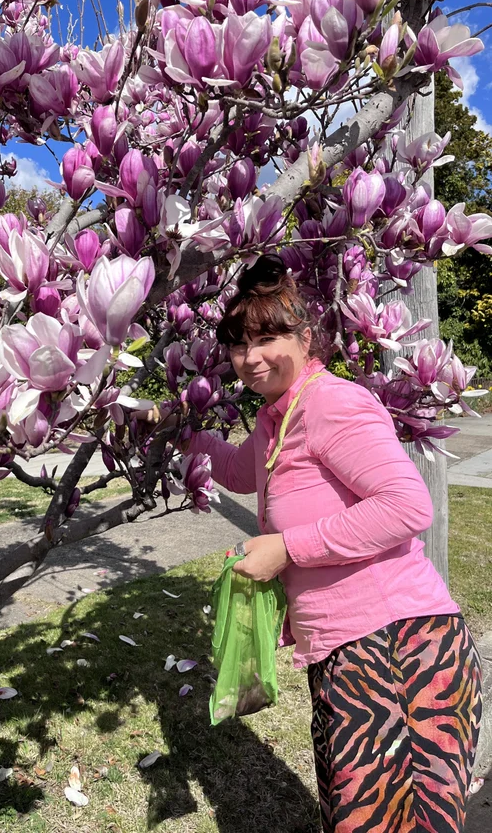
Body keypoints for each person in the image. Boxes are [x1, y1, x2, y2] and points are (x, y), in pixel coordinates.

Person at [186, 255, 482, 833]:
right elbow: (241, 470)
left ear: (306, 335)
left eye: (268, 337)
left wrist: (286, 548)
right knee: (352, 816)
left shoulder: (330, 403)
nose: (251, 358)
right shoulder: (279, 416)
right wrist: (175, 425)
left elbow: (407, 506)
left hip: (400, 650)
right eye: (240, 344)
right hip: (346, 653)